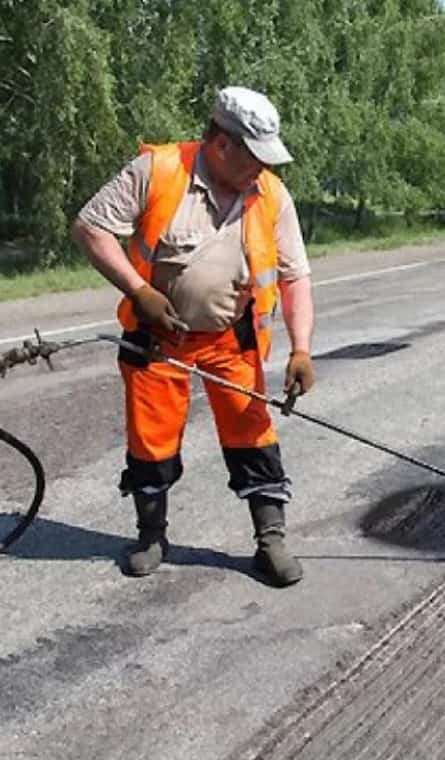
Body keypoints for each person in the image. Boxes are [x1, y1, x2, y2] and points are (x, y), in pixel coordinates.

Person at [70, 86, 316, 587]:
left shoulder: (271, 193)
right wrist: (139, 291)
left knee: (254, 437)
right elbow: (91, 226)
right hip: (156, 339)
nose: (262, 169)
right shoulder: (159, 171)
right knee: (151, 442)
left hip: (232, 340)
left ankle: (271, 541)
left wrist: (302, 349)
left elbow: (296, 276)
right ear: (222, 144)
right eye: (254, 156)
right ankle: (151, 536)